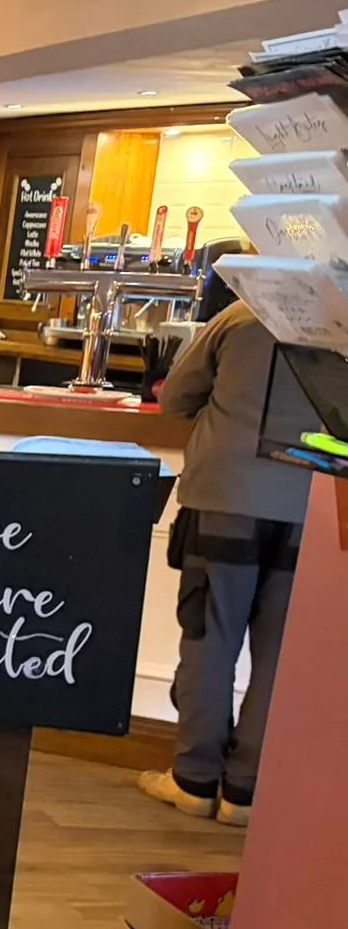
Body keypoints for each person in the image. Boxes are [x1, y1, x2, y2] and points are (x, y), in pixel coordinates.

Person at [137, 287, 315, 826]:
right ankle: (245, 792)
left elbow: (173, 400)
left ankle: (194, 779)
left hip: (225, 497)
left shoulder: (242, 314)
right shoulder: (340, 320)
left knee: (210, 638)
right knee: (280, 656)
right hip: (312, 507)